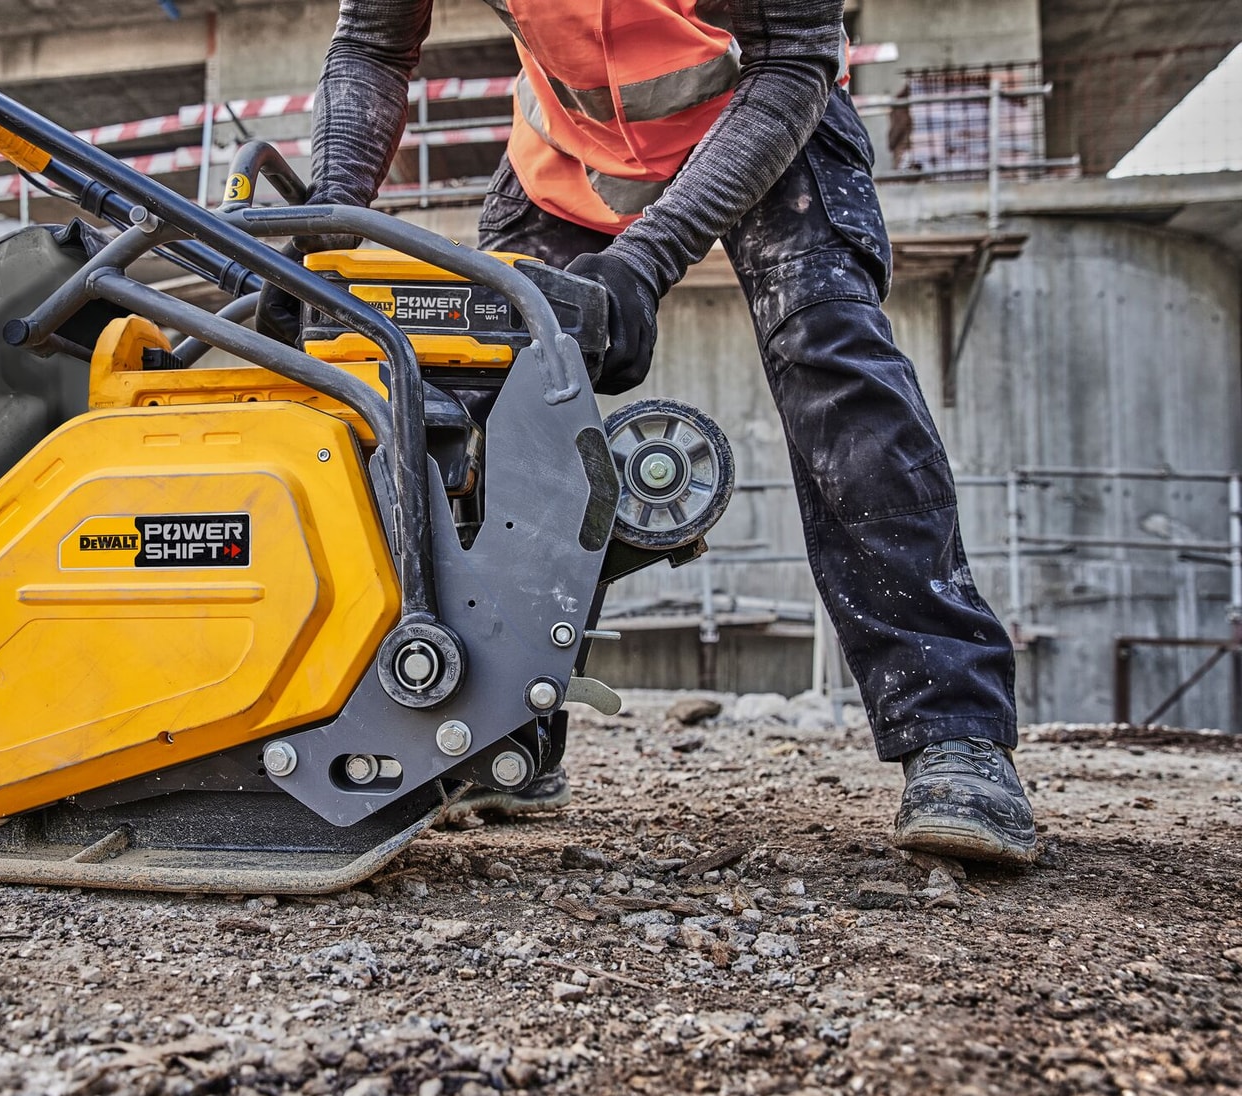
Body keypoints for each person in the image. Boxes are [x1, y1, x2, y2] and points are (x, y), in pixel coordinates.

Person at [261, 0, 1037, 865]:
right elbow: (372, 42)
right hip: (566, 148)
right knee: (480, 407)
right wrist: (322, 232)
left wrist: (648, 260)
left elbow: (796, 53)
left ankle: (954, 735)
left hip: (765, 118)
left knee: (834, 366)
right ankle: (488, 730)